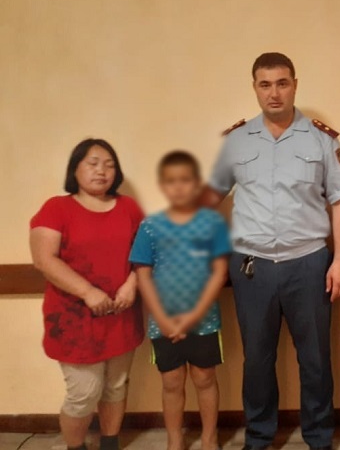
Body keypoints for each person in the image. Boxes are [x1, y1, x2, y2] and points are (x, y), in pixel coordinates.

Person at [199, 52, 340, 450]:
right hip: (252, 266)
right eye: (265, 84)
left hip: (309, 263)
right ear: (254, 88)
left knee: (315, 359)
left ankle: (319, 437)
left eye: (282, 83)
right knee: (257, 360)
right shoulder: (236, 141)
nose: (274, 93)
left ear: (295, 85)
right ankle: (259, 436)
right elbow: (210, 197)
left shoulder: (322, 139)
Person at [29, 139, 144, 450]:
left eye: (109, 165)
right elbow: (43, 259)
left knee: (116, 386)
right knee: (83, 392)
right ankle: (75, 446)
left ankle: (110, 442)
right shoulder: (56, 208)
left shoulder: (129, 208)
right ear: (75, 169)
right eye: (92, 163)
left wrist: (133, 282)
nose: (101, 170)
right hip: (74, 319)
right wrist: (88, 291)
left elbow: (148, 251)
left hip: (121, 314)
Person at [129, 151, 231, 450]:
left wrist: (193, 316)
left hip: (204, 321)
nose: (179, 187)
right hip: (163, 324)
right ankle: (175, 439)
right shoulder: (150, 226)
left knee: (205, 379)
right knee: (171, 382)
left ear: (197, 184)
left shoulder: (212, 225)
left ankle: (210, 437)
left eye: (185, 180)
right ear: (163, 185)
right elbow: (143, 275)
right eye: (171, 181)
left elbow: (219, 273)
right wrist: (162, 318)